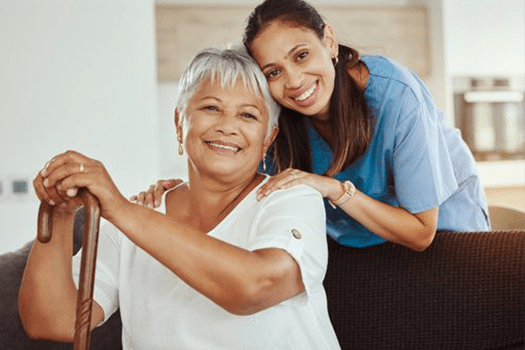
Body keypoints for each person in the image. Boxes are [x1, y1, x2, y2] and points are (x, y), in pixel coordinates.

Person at [19, 47, 341, 350]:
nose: (227, 126)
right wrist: (59, 216)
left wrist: (121, 210)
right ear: (179, 123)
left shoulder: (291, 199)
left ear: (268, 138)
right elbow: (52, 321)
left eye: (247, 116)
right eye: (211, 108)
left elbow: (254, 287)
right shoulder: (137, 215)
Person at [134, 0, 490, 252]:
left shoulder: (396, 95)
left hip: (443, 237)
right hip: (354, 245)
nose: (294, 81)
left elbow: (420, 233)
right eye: (273, 72)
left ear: (329, 42)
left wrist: (334, 189)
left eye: (301, 55)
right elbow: (244, 187)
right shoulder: (277, 118)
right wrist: (179, 193)